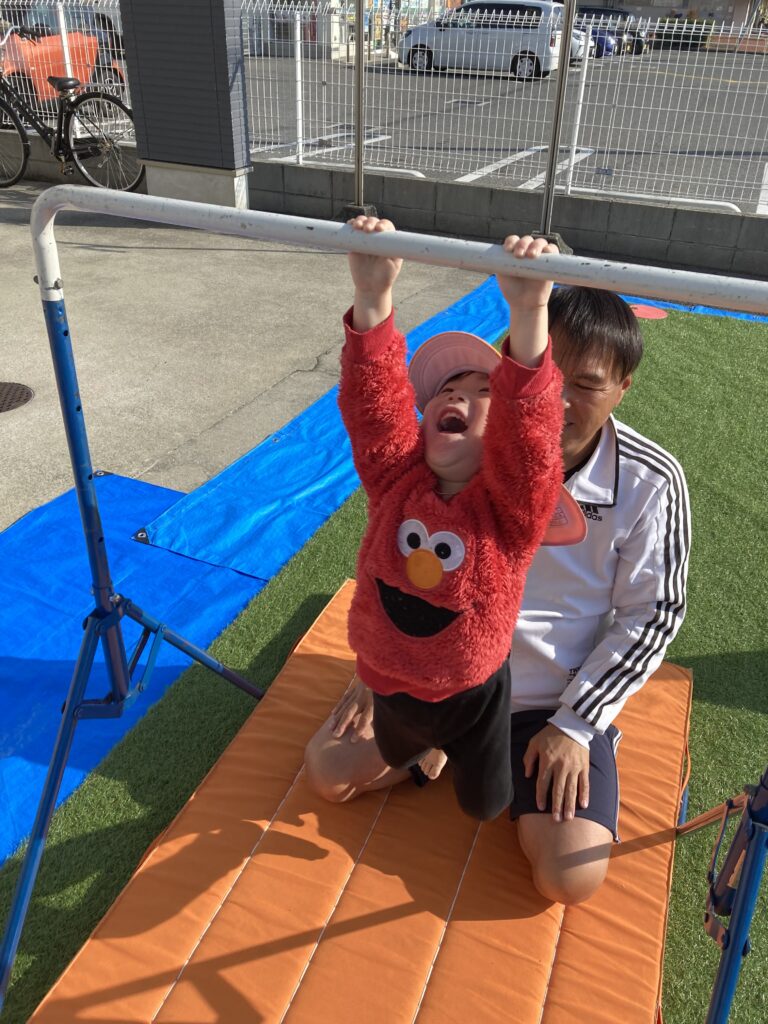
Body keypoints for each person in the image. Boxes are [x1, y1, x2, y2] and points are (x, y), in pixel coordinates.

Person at [306, 262, 691, 904]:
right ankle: (437, 746)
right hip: (435, 678)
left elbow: (654, 612)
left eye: (587, 386)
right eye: (551, 377)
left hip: (543, 701)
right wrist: (379, 669)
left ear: (623, 388)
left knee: (570, 875)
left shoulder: (650, 481)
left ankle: (496, 752)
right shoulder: (458, 453)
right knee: (328, 774)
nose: (559, 402)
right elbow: (396, 542)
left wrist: (576, 724)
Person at [336, 215, 585, 823]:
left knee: (484, 803)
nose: (456, 396)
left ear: (500, 431)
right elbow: (374, 405)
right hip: (389, 681)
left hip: (472, 695)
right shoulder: (396, 481)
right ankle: (421, 753)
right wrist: (372, 294)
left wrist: (529, 310)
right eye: (448, 390)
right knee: (397, 749)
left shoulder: (508, 513)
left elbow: (531, 437)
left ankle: (459, 759)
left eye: (482, 393)